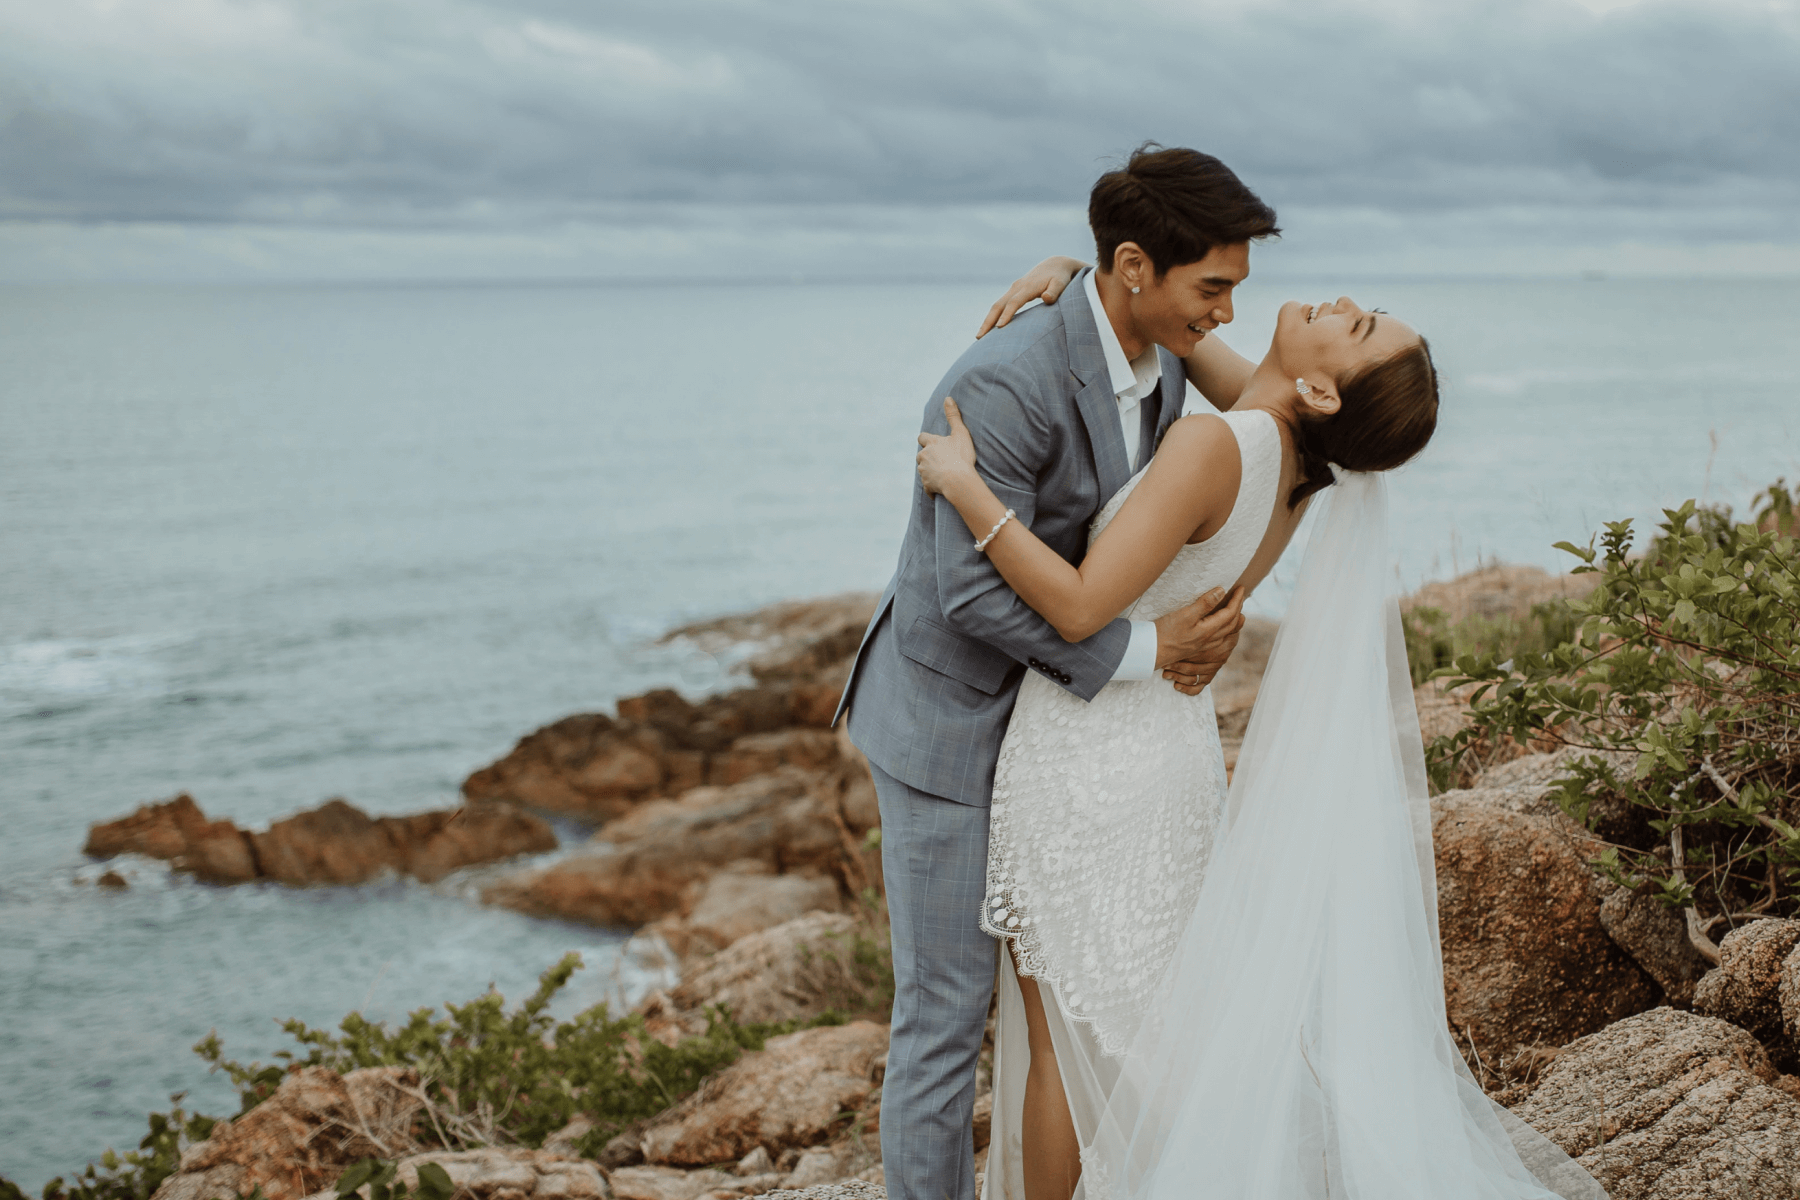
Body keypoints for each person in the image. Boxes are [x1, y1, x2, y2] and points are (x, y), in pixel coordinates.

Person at [915, 269, 1606, 1199]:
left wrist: (968, 492)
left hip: (1090, 762)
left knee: (1063, 1048)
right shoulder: (1288, 457)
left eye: (1357, 325)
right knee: (1144, 1042)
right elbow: (1187, 335)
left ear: (1325, 389)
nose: (1340, 298)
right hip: (1169, 758)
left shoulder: (1215, 442)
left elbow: (1079, 609)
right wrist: (1086, 274)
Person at [831, 144, 1278, 1200]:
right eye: (1211, 287)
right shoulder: (1001, 380)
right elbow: (967, 595)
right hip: (948, 724)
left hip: (1056, 743)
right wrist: (1144, 654)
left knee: (1067, 997)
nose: (1223, 312)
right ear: (1136, 267)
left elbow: (1267, 420)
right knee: (944, 1013)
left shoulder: (1167, 354)